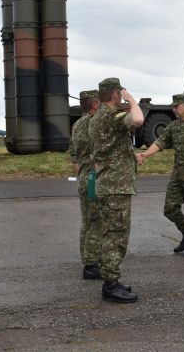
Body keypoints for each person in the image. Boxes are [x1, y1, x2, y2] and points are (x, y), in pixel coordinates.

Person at [137, 94, 184, 257]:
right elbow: (159, 143)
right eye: (173, 106)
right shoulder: (173, 126)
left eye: (176, 106)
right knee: (170, 209)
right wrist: (145, 154)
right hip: (178, 175)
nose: (173, 109)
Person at [88, 78, 144, 303]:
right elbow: (138, 119)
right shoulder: (112, 116)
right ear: (114, 94)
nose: (121, 97)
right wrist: (131, 99)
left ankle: (111, 279)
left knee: (109, 233)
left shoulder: (96, 118)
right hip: (116, 187)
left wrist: (131, 156)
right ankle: (110, 285)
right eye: (120, 93)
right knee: (116, 235)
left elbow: (107, 150)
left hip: (106, 183)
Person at [68, 90, 103, 280]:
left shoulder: (77, 125)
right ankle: (91, 264)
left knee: (87, 221)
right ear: (95, 104)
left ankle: (88, 258)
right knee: (95, 221)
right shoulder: (94, 124)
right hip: (92, 179)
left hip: (83, 177)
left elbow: (74, 157)